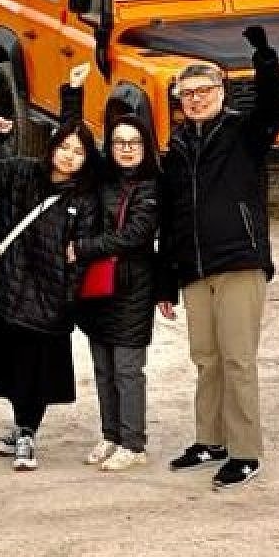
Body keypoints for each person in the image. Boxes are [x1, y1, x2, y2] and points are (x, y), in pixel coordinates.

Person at [156, 26, 279, 490]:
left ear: (221, 92)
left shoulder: (244, 134)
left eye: (203, 91)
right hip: (194, 269)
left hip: (239, 263)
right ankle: (210, 440)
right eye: (187, 94)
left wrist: (264, 57)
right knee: (206, 359)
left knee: (237, 360)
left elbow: (273, 108)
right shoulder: (175, 149)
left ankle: (245, 451)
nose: (195, 99)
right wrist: (166, 281)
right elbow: (170, 218)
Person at [0, 118, 103, 473]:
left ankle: (27, 433)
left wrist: (68, 299)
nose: (69, 156)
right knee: (12, 367)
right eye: (64, 147)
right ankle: (20, 428)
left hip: (50, 299)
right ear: (52, 147)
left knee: (35, 373)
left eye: (79, 151)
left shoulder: (85, 199)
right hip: (12, 288)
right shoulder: (22, 174)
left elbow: (82, 258)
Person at [61, 65, 165, 474]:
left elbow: (135, 236)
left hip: (132, 287)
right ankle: (111, 434)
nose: (125, 149)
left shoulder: (152, 186)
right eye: (119, 142)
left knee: (127, 369)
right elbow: (73, 140)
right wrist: (73, 93)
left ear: (145, 145)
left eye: (133, 142)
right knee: (103, 367)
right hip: (98, 286)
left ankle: (133, 443)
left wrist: (82, 248)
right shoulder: (103, 177)